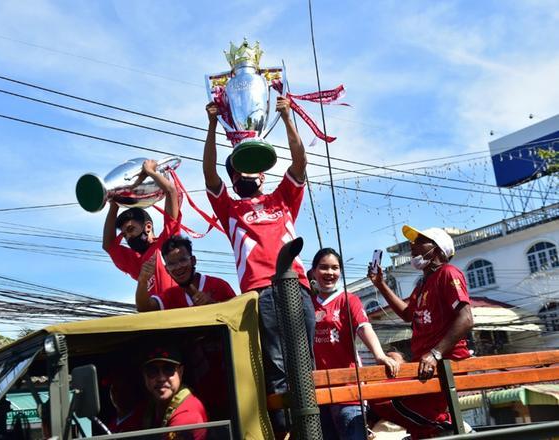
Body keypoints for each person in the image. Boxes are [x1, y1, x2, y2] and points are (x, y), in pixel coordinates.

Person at [203, 97, 316, 437]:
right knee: (277, 366)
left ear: (263, 174)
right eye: (237, 170)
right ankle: (285, 432)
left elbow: (300, 161)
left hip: (297, 286)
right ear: (235, 176)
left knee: (305, 366)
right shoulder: (230, 209)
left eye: (252, 168)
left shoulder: (283, 198)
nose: (246, 174)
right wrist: (211, 125)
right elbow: (209, 173)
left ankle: (311, 429)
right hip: (259, 293)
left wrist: (285, 116)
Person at [367, 225, 474, 439]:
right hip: (425, 365)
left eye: (419, 241)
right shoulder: (424, 282)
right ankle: (429, 429)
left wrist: (436, 353)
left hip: (445, 363)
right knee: (376, 396)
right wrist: (380, 284)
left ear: (436, 248)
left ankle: (441, 426)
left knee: (383, 398)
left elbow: (467, 319)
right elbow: (408, 313)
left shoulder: (448, 273)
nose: (412, 246)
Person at [310, 248, 400, 440]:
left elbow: (364, 327)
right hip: (317, 392)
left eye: (335, 268)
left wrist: (379, 355)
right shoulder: (306, 303)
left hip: (349, 391)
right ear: (313, 272)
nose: (330, 273)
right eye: (323, 267)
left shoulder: (348, 299)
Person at [102, 159, 180, 296]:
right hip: (155, 315)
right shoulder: (138, 263)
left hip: (183, 314)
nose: (128, 237)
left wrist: (150, 172)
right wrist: (114, 202)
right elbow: (109, 246)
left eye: (130, 230)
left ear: (148, 227)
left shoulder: (168, 241)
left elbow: (171, 192)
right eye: (125, 235)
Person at [135, 234, 236, 311]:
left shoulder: (219, 286)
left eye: (183, 260)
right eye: (172, 264)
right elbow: (144, 308)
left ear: (193, 260)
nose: (178, 267)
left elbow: (239, 315)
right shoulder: (170, 296)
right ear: (167, 270)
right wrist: (142, 281)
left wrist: (213, 305)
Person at [139, 344, 208, 439]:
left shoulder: (187, 415)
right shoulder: (151, 406)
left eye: (168, 369)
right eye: (152, 371)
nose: (161, 378)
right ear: (144, 376)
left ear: (180, 372)